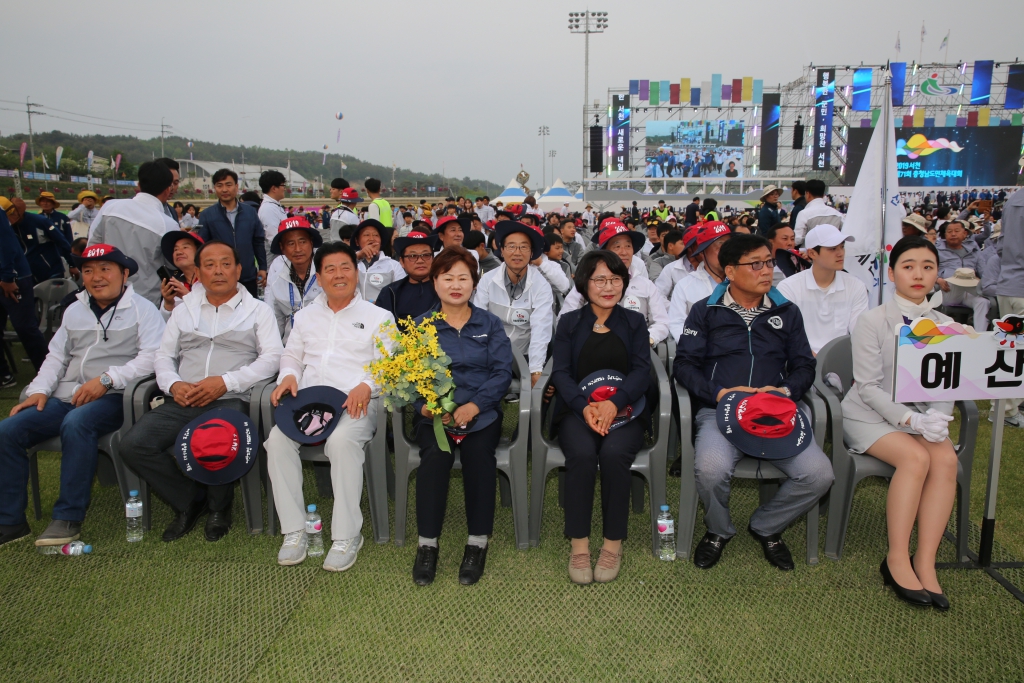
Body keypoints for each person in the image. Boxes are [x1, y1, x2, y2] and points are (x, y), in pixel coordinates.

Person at [674, 233, 833, 571]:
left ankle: (767, 526)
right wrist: (718, 393)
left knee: (819, 475)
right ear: (730, 271)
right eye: (756, 264)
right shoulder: (705, 312)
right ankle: (718, 530)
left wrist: (786, 392)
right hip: (721, 410)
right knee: (712, 469)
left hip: (776, 412)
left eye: (770, 262)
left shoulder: (787, 312)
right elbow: (683, 365)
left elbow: (805, 364)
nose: (767, 271)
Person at [0, 244, 164, 548]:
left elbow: (152, 357)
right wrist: (37, 391)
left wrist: (107, 378)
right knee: (8, 430)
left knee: (77, 423)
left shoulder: (144, 310)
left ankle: (67, 517)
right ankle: (10, 521)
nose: (96, 277)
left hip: (115, 397)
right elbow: (55, 357)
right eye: (88, 270)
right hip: (66, 394)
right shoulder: (75, 309)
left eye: (105, 269)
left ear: (124, 273)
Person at [119, 241, 283, 543]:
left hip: (232, 398)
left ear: (238, 269)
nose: (217, 270)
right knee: (133, 445)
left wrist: (225, 382)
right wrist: (173, 385)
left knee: (216, 438)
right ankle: (189, 500)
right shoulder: (185, 311)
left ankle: (220, 509)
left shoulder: (258, 311)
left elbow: (272, 358)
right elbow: (163, 356)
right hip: (184, 397)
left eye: (225, 263)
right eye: (209, 265)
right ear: (198, 271)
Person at [840, 236, 961, 610]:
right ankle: (896, 558)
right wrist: (911, 418)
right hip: (869, 416)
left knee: (945, 460)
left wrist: (938, 417)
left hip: (921, 418)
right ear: (891, 274)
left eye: (927, 266)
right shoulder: (872, 321)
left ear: (937, 273)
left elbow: (948, 380)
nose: (919, 274)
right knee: (916, 459)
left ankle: (925, 560)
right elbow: (868, 386)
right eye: (908, 266)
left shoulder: (946, 324)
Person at [266, 242, 394, 571]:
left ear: (357, 273)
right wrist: (289, 376)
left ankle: (347, 535)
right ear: (319, 278)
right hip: (309, 403)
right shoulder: (305, 317)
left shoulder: (379, 317)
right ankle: (294, 530)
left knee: (341, 441)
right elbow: (291, 356)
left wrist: (367, 385)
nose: (339, 275)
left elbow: (387, 366)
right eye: (330, 270)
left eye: (345, 268)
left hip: (356, 402)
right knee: (277, 440)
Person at [408, 247, 513, 586]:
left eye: (463, 278)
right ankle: (427, 545)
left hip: (480, 413)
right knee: (435, 458)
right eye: (447, 277)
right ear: (435, 282)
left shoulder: (490, 323)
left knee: (478, 456)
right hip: (434, 415)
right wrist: (424, 406)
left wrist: (475, 406)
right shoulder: (422, 326)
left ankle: (477, 543)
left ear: (474, 283)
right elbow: (408, 377)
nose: (455, 285)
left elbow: (501, 373)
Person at [550, 251, 651, 584]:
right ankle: (579, 545)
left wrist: (615, 404)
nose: (608, 287)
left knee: (613, 454)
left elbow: (641, 371)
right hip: (579, 410)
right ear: (584, 283)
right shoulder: (569, 323)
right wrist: (584, 407)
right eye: (599, 280)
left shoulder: (634, 322)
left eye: (615, 279)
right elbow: (561, 373)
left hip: (625, 410)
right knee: (580, 454)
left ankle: (612, 543)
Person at [560, 220, 669, 347]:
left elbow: (662, 322)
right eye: (617, 246)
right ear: (604, 251)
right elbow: (565, 319)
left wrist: (646, 339)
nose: (624, 252)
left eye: (628, 246)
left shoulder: (646, 285)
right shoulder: (588, 282)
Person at [473, 221, 554, 387]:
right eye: (511, 246)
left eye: (524, 247)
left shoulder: (541, 285)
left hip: (525, 352)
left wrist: (535, 370)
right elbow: (478, 322)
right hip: (491, 352)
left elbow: (540, 329)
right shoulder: (488, 280)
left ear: (532, 252)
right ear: (502, 250)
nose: (517, 253)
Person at [87, 161, 178, 307]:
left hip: (105, 291)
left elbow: (91, 248)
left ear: (139, 186)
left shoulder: (110, 208)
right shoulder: (167, 224)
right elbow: (173, 264)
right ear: (168, 189)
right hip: (145, 298)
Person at [777, 225, 869, 354]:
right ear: (812, 253)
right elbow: (786, 336)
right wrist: (814, 361)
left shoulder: (856, 286)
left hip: (843, 362)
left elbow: (860, 333)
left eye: (842, 247)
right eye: (832, 249)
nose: (840, 253)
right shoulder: (789, 287)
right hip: (799, 362)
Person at [195, 169, 268, 298]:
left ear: (236, 186)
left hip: (248, 276)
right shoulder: (207, 215)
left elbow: (258, 241)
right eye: (219, 185)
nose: (224, 189)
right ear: (214, 188)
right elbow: (201, 246)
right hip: (220, 278)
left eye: (228, 185)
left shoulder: (250, 212)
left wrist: (262, 266)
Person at [0, 209, 48, 385]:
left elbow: (6, 244)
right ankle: (4, 375)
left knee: (25, 327)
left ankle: (47, 373)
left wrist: (7, 276)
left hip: (13, 278)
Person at [264, 217, 324, 342]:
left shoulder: (327, 273)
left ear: (311, 243)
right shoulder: (276, 280)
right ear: (282, 248)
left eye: (302, 242)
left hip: (324, 343)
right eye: (291, 243)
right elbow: (274, 322)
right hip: (291, 347)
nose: (297, 249)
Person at [668, 223, 731, 341]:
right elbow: (677, 324)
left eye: (729, 245)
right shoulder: (684, 286)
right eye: (720, 246)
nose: (726, 252)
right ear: (702, 252)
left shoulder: (743, 281)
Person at [3, 197, 73, 284]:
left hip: (51, 270)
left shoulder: (41, 221)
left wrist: (72, 264)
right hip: (26, 274)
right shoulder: (6, 227)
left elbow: (62, 242)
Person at [376, 230, 440, 324]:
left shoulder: (445, 288)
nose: (420, 261)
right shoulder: (390, 292)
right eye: (413, 256)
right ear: (401, 262)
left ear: (433, 259)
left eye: (426, 255)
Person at [935, 220, 989, 330]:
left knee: (983, 302)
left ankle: (980, 336)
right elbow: (927, 270)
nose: (953, 234)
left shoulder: (973, 250)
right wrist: (938, 280)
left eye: (956, 231)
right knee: (956, 279)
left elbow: (984, 271)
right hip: (948, 290)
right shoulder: (937, 250)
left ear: (965, 234)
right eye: (949, 231)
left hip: (969, 291)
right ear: (945, 235)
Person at [351, 219, 405, 303]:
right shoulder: (350, 263)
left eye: (376, 235)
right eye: (366, 235)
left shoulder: (393, 265)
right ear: (357, 242)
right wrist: (357, 256)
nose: (372, 239)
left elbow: (402, 293)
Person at [158, 230, 204, 318]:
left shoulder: (212, 280)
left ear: (200, 252)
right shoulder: (174, 284)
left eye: (185, 247)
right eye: (175, 249)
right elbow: (164, 324)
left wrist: (187, 297)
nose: (179, 252)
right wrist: (168, 304)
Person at [793, 179, 844, 245]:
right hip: (832, 251)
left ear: (808, 194)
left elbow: (798, 239)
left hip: (810, 253)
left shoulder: (804, 214)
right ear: (823, 195)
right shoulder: (837, 214)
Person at [258, 170, 288, 263]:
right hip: (275, 262)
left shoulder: (275, 206)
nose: (285, 189)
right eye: (283, 185)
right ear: (274, 188)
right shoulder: (268, 209)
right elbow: (274, 239)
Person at [154, 158, 182, 222]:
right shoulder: (136, 207)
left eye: (175, 183)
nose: (172, 187)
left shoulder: (172, 211)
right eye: (168, 182)